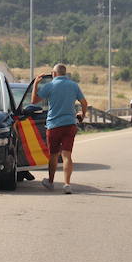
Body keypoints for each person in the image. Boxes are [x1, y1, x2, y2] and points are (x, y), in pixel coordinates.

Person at [32, 64, 88, 194]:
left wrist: (35, 83)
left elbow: (34, 101)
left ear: (54, 73)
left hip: (54, 125)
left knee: (53, 155)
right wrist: (82, 115)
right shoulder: (73, 85)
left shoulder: (50, 85)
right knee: (67, 155)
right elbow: (84, 103)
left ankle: (51, 182)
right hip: (69, 124)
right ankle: (67, 184)